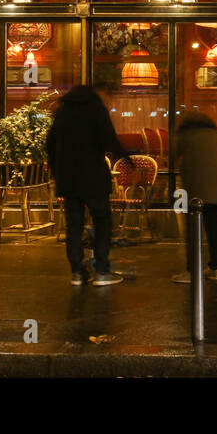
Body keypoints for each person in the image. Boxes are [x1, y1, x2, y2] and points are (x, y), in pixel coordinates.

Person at [45, 84, 134, 287]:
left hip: (68, 179)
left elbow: (49, 144)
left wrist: (56, 171)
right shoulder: (96, 110)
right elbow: (109, 139)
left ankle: (77, 272)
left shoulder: (62, 112)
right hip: (93, 178)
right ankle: (102, 271)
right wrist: (128, 160)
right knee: (102, 221)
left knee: (74, 225)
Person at [169, 112, 217, 283]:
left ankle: (192, 272)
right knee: (214, 230)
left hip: (196, 190)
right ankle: (216, 268)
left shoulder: (186, 135)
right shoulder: (215, 135)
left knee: (194, 232)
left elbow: (173, 155)